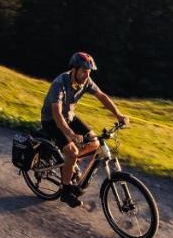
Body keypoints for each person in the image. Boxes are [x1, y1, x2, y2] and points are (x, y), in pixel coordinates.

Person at [41, 51, 128, 205]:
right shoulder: (59, 84)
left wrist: (118, 115)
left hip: (70, 117)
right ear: (73, 70)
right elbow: (57, 114)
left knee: (95, 143)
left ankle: (69, 163)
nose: (86, 75)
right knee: (72, 151)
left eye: (88, 72)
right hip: (52, 121)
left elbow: (102, 96)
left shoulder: (85, 81)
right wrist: (71, 134)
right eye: (84, 71)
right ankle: (66, 191)